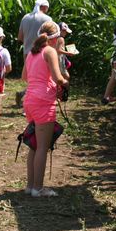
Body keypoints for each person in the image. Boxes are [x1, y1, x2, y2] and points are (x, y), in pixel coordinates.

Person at [21, 21, 68, 198]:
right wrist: (65, 83)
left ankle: (30, 185)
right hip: (43, 102)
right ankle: (38, 188)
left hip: (30, 100)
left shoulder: (32, 52)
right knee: (42, 147)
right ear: (55, 38)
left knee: (34, 146)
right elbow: (58, 78)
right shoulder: (49, 51)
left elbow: (25, 76)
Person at [16, 0, 52, 105]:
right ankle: (29, 101)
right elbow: (50, 37)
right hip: (42, 53)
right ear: (44, 7)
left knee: (30, 79)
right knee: (40, 79)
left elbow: (20, 37)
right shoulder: (47, 19)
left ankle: (24, 94)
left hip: (27, 53)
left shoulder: (25, 18)